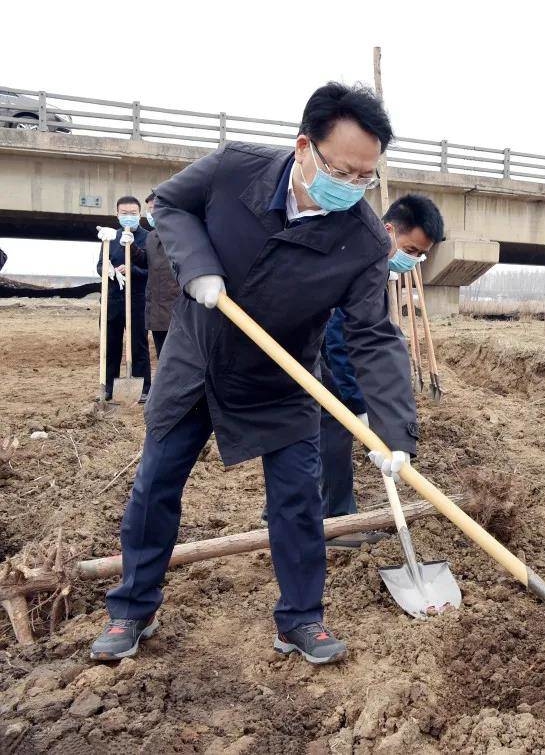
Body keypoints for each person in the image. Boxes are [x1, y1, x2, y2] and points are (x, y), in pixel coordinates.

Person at [89, 82, 418, 666]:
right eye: (340, 171)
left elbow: (372, 334)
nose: (349, 188)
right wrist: (199, 269)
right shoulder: (234, 169)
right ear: (302, 148)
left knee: (296, 501)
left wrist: (396, 434)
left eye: (364, 178)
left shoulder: (363, 241)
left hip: (282, 377)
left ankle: (301, 619)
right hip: (197, 358)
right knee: (155, 485)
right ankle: (132, 608)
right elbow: (169, 204)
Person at [319, 194, 444, 547]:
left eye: (421, 255)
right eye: (411, 249)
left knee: (315, 436)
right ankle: (336, 521)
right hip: (311, 358)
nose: (414, 260)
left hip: (320, 358)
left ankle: (320, 514)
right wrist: (358, 405)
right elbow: (339, 340)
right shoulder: (357, 261)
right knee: (330, 432)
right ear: (388, 230)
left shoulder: (374, 264)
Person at [95, 196, 152, 402]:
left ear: (139, 214)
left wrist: (132, 270)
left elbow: (151, 270)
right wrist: (110, 271)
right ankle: (109, 387)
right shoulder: (110, 237)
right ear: (117, 214)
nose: (129, 217)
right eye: (124, 213)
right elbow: (100, 265)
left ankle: (144, 388)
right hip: (112, 300)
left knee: (138, 345)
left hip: (137, 299)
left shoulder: (149, 238)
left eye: (133, 213)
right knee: (110, 345)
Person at [142, 191, 181, 357]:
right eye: (150, 209)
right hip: (157, 307)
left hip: (177, 307)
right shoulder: (151, 237)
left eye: (155, 209)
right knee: (162, 355)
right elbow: (146, 260)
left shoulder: (181, 234)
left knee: (180, 355)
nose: (152, 213)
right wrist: (128, 246)